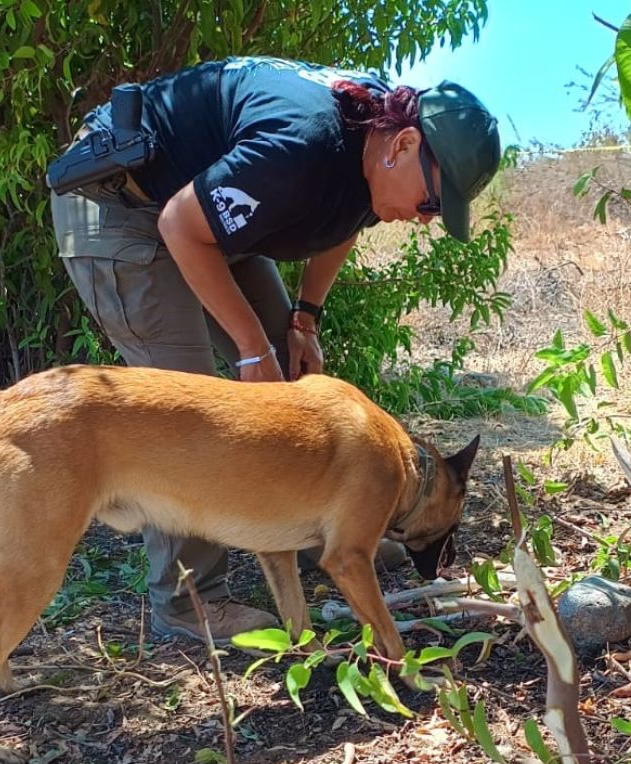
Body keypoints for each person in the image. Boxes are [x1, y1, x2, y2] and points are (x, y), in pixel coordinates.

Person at [49, 56, 501, 643]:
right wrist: (250, 348)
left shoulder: (378, 137)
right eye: (431, 203)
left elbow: (346, 219)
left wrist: (303, 319)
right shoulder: (303, 146)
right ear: (407, 145)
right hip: (121, 207)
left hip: (211, 212)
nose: (423, 220)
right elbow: (182, 226)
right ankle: (189, 599)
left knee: (289, 388)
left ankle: (332, 534)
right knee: (193, 412)